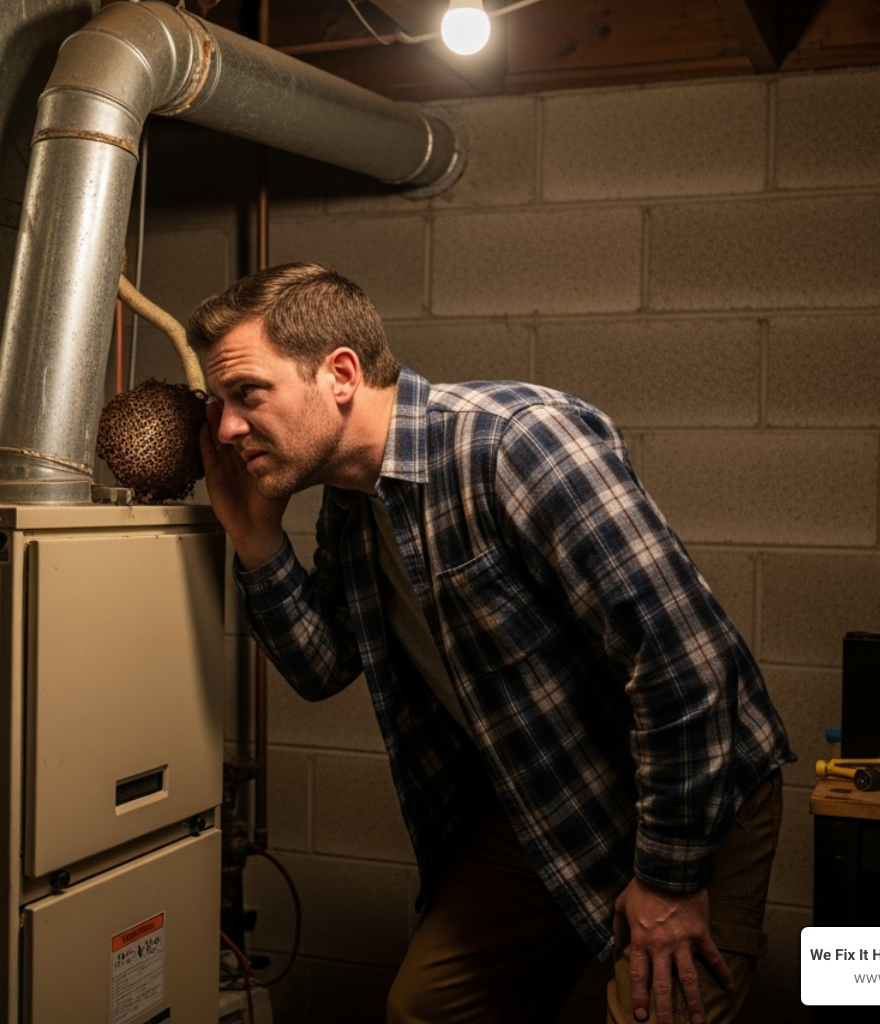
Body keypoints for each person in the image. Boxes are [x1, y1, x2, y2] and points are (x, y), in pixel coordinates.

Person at [188, 263, 793, 1024]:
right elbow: (322, 667)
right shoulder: (350, 502)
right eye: (220, 404)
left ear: (340, 374)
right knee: (427, 1011)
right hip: (546, 789)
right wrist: (255, 537)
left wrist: (670, 881)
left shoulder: (517, 441)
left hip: (690, 788)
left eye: (248, 394)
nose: (228, 427)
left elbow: (685, 665)